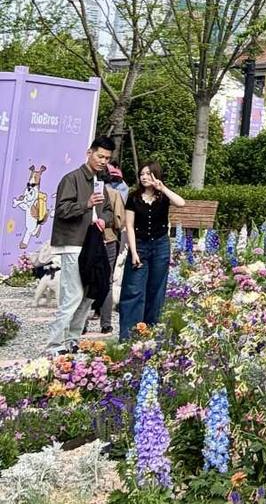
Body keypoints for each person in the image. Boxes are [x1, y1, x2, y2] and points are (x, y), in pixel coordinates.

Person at [45, 136, 114, 352]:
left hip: (93, 242)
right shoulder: (71, 178)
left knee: (89, 293)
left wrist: (104, 220)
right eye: (100, 156)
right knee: (73, 294)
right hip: (73, 243)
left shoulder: (100, 182)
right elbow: (62, 210)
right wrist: (86, 204)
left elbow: (109, 211)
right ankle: (54, 344)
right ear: (89, 153)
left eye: (107, 158)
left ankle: (72, 340)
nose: (103, 161)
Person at [118, 164, 186, 339]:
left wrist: (162, 188)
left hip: (160, 245)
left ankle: (151, 333)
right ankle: (128, 336)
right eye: (142, 174)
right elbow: (129, 226)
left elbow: (181, 203)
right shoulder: (133, 197)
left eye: (148, 174)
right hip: (139, 245)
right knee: (133, 289)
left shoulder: (163, 197)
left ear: (156, 175)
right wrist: (134, 252)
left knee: (156, 289)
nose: (144, 177)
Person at [86, 165, 129, 335]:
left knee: (86, 279)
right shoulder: (114, 193)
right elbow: (119, 220)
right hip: (109, 238)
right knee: (108, 280)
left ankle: (82, 323)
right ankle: (106, 323)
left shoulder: (87, 191)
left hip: (88, 238)